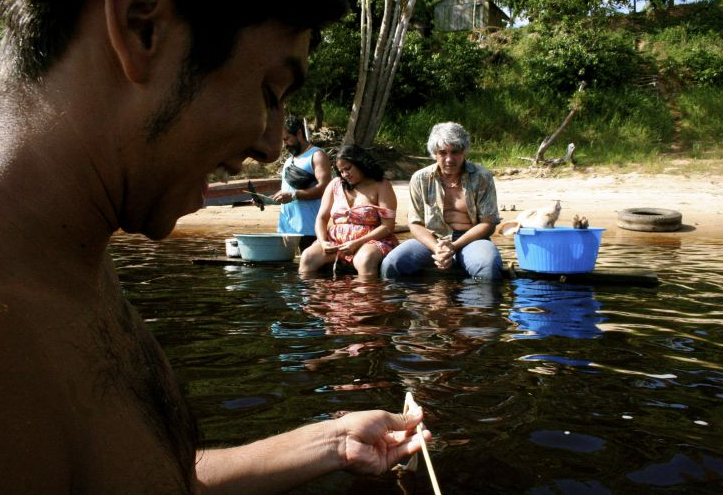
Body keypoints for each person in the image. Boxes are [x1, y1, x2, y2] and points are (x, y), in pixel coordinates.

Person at [0, 1, 430, 493]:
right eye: (269, 90)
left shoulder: (70, 264)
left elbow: (153, 478)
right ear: (142, 28)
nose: (270, 143)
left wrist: (331, 442)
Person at [381, 122, 504, 280]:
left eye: (455, 152)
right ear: (434, 153)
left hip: (471, 240)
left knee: (488, 267)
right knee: (391, 264)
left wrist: (453, 246)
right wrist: (437, 248)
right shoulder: (420, 178)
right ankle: (412, 304)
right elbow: (415, 223)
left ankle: (477, 305)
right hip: (432, 239)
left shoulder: (481, 176)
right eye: (443, 152)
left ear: (464, 152)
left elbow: (488, 223)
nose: (449, 159)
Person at [299, 145, 399, 276]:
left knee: (365, 260)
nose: (345, 174)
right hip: (335, 241)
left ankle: (368, 296)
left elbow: (388, 226)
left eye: (348, 168)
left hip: (371, 241)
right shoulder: (335, 184)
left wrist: (357, 243)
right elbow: (321, 218)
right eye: (341, 171)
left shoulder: (381, 185)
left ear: (361, 163)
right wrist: (323, 242)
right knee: (307, 257)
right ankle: (317, 296)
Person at [271, 115, 331, 251]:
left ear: (299, 133)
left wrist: (294, 195)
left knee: (308, 271)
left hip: (309, 229)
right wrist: (264, 200)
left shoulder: (317, 155)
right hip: (286, 228)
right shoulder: (288, 161)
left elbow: (325, 189)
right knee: (288, 271)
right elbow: (286, 192)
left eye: (286, 139)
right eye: (282, 141)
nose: (284, 144)